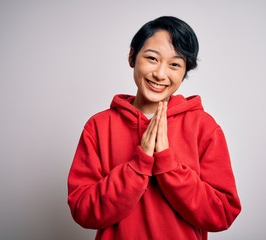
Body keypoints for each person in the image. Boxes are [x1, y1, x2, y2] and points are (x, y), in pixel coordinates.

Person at [67, 16, 241, 240]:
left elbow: (223, 213)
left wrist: (167, 164)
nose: (160, 74)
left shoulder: (204, 127)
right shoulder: (98, 126)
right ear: (132, 56)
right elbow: (83, 211)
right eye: (152, 58)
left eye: (175, 64)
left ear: (185, 71)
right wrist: (138, 165)